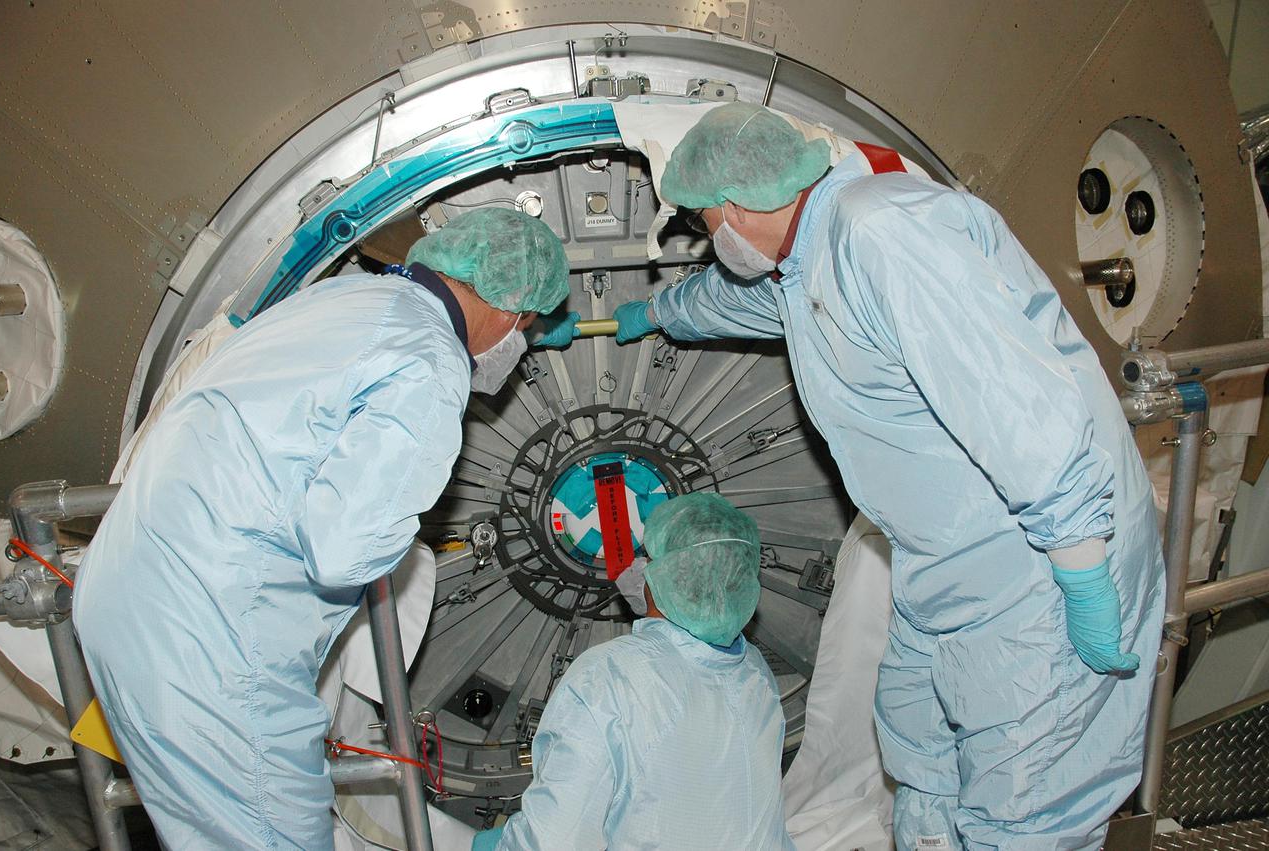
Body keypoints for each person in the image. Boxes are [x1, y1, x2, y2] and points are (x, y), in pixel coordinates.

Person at [605, 103, 1164, 850]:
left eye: (707, 223)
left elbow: (1015, 403)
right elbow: (746, 299)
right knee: (917, 741)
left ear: (738, 206)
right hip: (947, 564)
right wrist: (658, 312)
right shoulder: (810, 253)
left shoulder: (881, 234)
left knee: (1026, 808)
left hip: (1039, 565)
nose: (714, 241)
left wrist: (1082, 565)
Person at [72, 206, 569, 849]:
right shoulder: (429, 360)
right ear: (512, 309)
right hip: (214, 640)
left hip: (128, 592)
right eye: (528, 324)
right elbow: (345, 551)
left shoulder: (348, 297)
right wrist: (407, 527)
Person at [472, 492, 795, 851]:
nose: (639, 566)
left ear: (666, 573)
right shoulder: (756, 674)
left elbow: (552, 841)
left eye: (648, 558)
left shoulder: (608, 676)